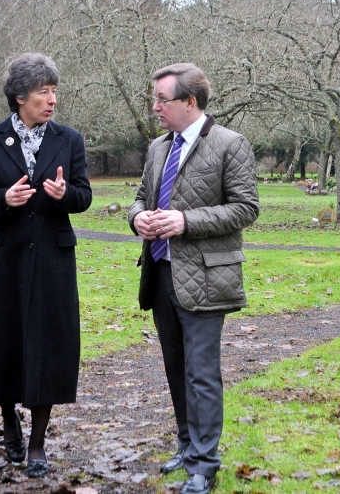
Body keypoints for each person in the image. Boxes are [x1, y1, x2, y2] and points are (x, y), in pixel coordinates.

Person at [128, 63, 259, 494]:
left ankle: (204, 464)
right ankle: (187, 447)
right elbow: (140, 198)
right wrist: (139, 218)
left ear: (190, 102)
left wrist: (186, 220)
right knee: (175, 367)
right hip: (160, 273)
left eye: (162, 100)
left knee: (202, 373)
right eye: (155, 99)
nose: (155, 107)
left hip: (205, 278)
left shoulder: (230, 145)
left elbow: (245, 209)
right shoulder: (156, 148)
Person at [0, 53, 92, 478]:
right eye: (43, 92)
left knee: (50, 343)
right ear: (20, 97)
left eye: (54, 91)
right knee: (4, 341)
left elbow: (84, 196)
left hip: (53, 258)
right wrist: (2, 199)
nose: (52, 100)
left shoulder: (69, 139)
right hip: (4, 258)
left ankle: (37, 442)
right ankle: (9, 421)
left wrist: (63, 194)